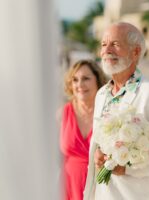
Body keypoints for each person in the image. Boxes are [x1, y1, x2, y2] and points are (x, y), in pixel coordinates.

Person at [83, 22, 149, 200]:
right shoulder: (102, 94)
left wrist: (126, 167)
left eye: (115, 44)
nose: (107, 50)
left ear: (135, 52)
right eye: (104, 44)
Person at [60, 59, 106, 200]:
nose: (79, 85)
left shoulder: (108, 114)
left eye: (86, 78)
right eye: (75, 80)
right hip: (68, 188)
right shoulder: (62, 114)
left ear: (97, 81)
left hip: (101, 188)